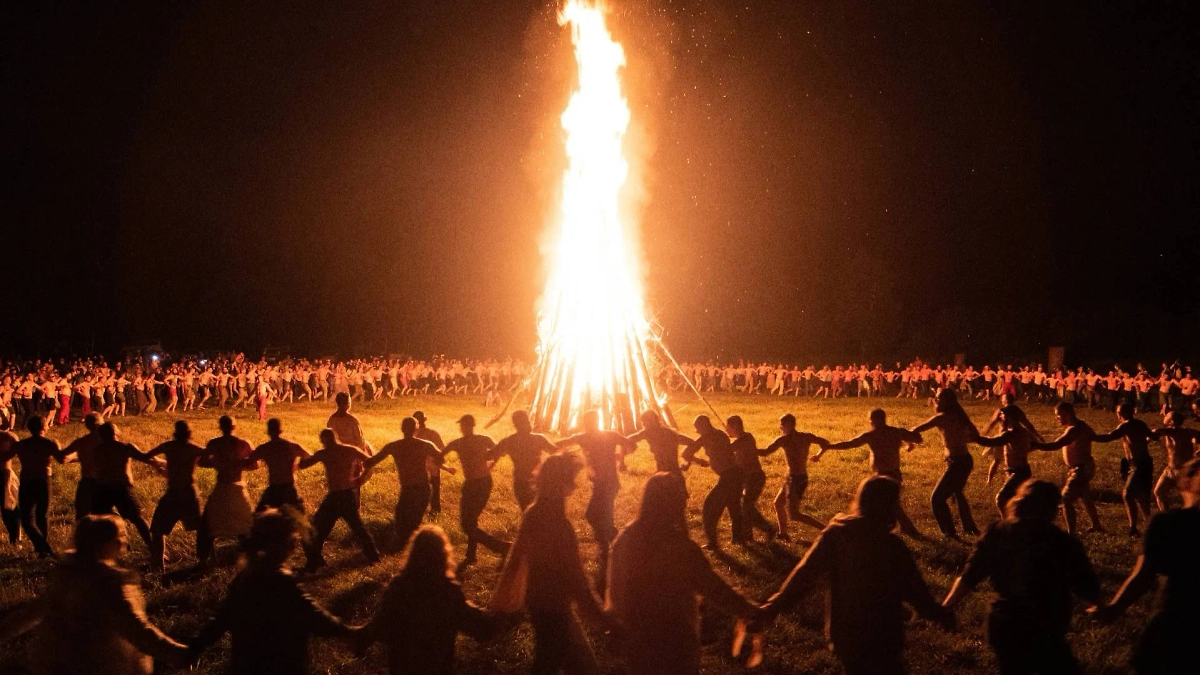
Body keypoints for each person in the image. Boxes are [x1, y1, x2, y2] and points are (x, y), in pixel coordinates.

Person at [760, 476, 954, 675]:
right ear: (889, 506)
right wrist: (942, 615)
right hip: (883, 635)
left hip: (844, 634)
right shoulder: (892, 547)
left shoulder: (835, 535)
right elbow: (918, 594)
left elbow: (804, 575)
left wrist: (772, 607)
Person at [607, 472, 761, 675]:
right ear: (670, 504)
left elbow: (615, 591)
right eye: (681, 495)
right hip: (676, 641)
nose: (686, 500)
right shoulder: (680, 548)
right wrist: (750, 611)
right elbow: (713, 587)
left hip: (638, 641)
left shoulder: (626, 539)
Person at [943, 480, 1101, 674]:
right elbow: (1086, 585)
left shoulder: (998, 532)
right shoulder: (1062, 542)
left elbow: (970, 574)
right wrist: (1102, 607)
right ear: (1052, 509)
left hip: (1004, 623)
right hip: (1044, 626)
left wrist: (947, 606)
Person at [0, 515, 189, 675]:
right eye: (120, 537)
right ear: (106, 544)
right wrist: (175, 653)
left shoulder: (67, 574)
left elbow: (33, 612)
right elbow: (135, 629)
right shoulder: (110, 582)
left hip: (57, 664)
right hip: (100, 664)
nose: (124, 543)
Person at [189, 509, 359, 674]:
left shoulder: (243, 578)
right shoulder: (282, 583)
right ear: (285, 544)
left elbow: (219, 621)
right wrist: (348, 631)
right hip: (281, 667)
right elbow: (315, 617)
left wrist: (194, 648)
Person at [491, 452, 610, 675]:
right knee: (570, 665)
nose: (575, 486)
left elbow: (516, 560)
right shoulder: (558, 524)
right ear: (560, 483)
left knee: (552, 661)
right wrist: (599, 615)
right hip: (554, 607)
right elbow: (575, 577)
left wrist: (505, 598)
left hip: (538, 603)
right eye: (571, 479)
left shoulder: (533, 513)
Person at [1091, 458, 1200, 674]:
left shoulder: (1168, 523)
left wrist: (1115, 607)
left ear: (1184, 482)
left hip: (1176, 619)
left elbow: (1144, 576)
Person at [356, 525, 499, 674]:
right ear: (443, 555)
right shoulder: (448, 591)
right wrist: (493, 615)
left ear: (413, 553)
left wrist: (362, 641)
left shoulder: (398, 587)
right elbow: (476, 624)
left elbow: (380, 624)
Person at [813, 408, 924, 538]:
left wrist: (830, 446)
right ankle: (897, 529)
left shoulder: (872, 435)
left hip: (885, 474)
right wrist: (908, 438)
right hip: (891, 473)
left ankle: (909, 531)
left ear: (874, 420)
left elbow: (850, 444)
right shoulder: (895, 432)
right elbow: (917, 438)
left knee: (890, 505)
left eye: (871, 420)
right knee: (887, 504)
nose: (870, 423)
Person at [556, 410, 635, 588]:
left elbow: (630, 444)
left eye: (587, 422)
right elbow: (630, 445)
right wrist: (620, 457)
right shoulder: (602, 435)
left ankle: (612, 544)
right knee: (601, 516)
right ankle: (611, 544)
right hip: (605, 483)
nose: (587, 425)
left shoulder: (596, 436)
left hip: (607, 484)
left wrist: (620, 458)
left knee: (593, 514)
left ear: (590, 422)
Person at [300, 428, 380, 570]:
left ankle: (314, 561)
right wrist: (361, 478)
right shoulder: (349, 450)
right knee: (357, 527)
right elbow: (370, 461)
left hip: (336, 496)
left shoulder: (325, 453)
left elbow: (304, 464)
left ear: (325, 440)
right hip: (345, 495)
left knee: (320, 527)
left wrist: (296, 454)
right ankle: (373, 556)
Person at [362, 417, 446, 549]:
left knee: (403, 518)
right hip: (422, 488)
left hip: (410, 488)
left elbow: (372, 461)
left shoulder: (394, 446)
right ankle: (411, 548)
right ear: (416, 429)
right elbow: (441, 457)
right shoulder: (425, 444)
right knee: (411, 520)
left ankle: (411, 549)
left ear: (402, 429)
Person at [911, 388, 981, 539]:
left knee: (937, 499)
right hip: (965, 460)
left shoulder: (941, 418)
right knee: (957, 493)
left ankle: (950, 533)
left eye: (938, 398)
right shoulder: (961, 416)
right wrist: (961, 440)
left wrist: (911, 441)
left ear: (946, 401)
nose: (936, 401)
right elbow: (975, 435)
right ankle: (970, 528)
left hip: (957, 463)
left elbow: (916, 429)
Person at [442, 414, 511, 566]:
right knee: (470, 521)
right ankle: (471, 554)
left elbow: (440, 455)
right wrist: (491, 463)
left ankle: (501, 547)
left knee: (468, 524)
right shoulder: (478, 440)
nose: (461, 428)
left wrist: (491, 463)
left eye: (463, 425)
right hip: (482, 483)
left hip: (477, 484)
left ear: (468, 426)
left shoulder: (461, 442)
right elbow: (500, 451)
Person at [1031, 402, 1104, 535]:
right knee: (1084, 496)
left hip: (1080, 469)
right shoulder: (1082, 425)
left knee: (1065, 499)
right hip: (1083, 467)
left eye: (1058, 416)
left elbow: (1056, 444)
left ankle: (1071, 533)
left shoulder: (1074, 430)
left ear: (1066, 414)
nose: (1057, 418)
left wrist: (1036, 445)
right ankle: (1096, 525)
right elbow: (1094, 437)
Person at [145, 420, 207, 572]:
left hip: (173, 493)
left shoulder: (168, 446)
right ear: (189, 433)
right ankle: (205, 561)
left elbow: (147, 455)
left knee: (158, 529)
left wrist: (160, 464)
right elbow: (210, 457)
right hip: (188, 493)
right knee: (201, 528)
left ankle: (159, 564)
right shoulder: (194, 448)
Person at [91, 421, 163, 551]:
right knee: (137, 518)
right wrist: (161, 463)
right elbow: (144, 457)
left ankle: (117, 544)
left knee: (105, 517)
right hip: (121, 487)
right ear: (115, 432)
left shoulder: (97, 449)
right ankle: (153, 548)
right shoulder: (124, 447)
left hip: (102, 487)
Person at [758, 413, 828, 539]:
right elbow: (825, 443)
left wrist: (749, 448)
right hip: (793, 478)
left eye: (782, 425)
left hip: (797, 480)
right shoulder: (806, 437)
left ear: (789, 425)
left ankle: (826, 529)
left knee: (794, 514)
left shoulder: (784, 440)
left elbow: (765, 452)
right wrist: (818, 455)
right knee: (778, 504)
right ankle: (783, 534)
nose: (780, 428)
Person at [0, 416, 63, 556]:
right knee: (42, 515)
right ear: (44, 427)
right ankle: (43, 547)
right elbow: (62, 459)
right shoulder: (50, 443)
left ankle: (41, 547)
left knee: (27, 517)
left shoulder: (21, 445)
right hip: (43, 480)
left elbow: (5, 457)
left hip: (27, 480)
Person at [681, 415, 745, 551]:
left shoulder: (706, 437)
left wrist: (699, 461)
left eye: (697, 429)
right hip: (737, 474)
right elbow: (721, 454)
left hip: (729, 476)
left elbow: (685, 453)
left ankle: (713, 542)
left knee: (709, 507)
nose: (697, 432)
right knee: (733, 506)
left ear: (704, 426)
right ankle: (739, 539)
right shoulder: (720, 435)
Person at [1094, 403, 1156, 535]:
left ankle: (1136, 527)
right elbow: (1153, 436)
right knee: (1141, 496)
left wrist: (1091, 437)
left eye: (1117, 412)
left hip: (1139, 464)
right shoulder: (1140, 423)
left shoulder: (1125, 425)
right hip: (1140, 463)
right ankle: (1146, 526)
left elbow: (1110, 437)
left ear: (1120, 413)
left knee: (1128, 494)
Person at [200, 416, 256, 556]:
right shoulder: (243, 443)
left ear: (220, 426)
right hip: (238, 486)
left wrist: (218, 463)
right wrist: (240, 464)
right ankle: (249, 554)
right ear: (234, 427)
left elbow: (202, 462)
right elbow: (255, 464)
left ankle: (204, 558)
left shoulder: (214, 443)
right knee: (246, 523)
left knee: (208, 523)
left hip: (222, 486)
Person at [974, 406, 1037, 517]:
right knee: (1016, 501)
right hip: (1019, 470)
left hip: (1018, 472)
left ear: (1010, 417)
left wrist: (975, 438)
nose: (1001, 418)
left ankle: (1009, 524)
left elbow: (992, 442)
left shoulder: (1011, 433)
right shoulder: (1023, 431)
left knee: (1001, 498)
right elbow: (1035, 444)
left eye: (1003, 416)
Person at [491, 409, 557, 511]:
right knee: (539, 512)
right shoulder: (538, 439)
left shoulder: (509, 441)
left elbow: (489, 455)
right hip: (538, 481)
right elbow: (557, 452)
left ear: (515, 424)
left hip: (522, 482)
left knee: (528, 511)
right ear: (527, 421)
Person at [726, 415, 773, 542]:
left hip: (755, 477)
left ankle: (767, 528)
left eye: (728, 427)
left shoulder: (744, 439)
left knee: (747, 506)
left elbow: (728, 449)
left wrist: (723, 441)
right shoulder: (746, 438)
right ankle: (748, 536)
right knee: (746, 506)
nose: (726, 429)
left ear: (735, 426)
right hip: (748, 478)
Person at [248, 418, 310, 512]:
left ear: (268, 431)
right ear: (280, 430)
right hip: (289, 487)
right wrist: (298, 466)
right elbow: (308, 456)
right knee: (298, 519)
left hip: (274, 489)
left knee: (259, 518)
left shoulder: (265, 448)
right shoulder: (291, 446)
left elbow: (249, 461)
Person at [1148, 411, 1200, 510]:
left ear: (1171, 421)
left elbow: (1158, 430)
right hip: (1170, 469)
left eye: (1167, 415)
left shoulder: (1176, 431)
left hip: (1183, 471)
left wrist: (1148, 438)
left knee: (1189, 498)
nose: (1164, 416)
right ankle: (1167, 516)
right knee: (1159, 491)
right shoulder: (1188, 431)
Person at [59, 412, 103, 519]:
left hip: (87, 481)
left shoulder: (82, 442)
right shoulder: (106, 441)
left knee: (82, 514)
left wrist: (57, 446)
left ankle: (83, 533)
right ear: (100, 424)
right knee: (104, 514)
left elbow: (62, 455)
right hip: (104, 480)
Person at [625, 410, 693, 475]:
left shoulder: (648, 433)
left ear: (652, 421)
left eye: (644, 422)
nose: (643, 425)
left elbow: (629, 439)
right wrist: (688, 462)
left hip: (664, 471)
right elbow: (691, 442)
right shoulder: (670, 432)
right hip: (675, 471)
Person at [413, 410, 446, 516]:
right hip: (433, 469)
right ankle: (435, 511)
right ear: (424, 420)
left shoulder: (413, 435)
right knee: (435, 491)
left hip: (418, 470)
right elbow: (442, 449)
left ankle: (418, 512)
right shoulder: (433, 433)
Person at [0, 426, 21, 545]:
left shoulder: (8, 437)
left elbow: (22, 450)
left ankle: (15, 539)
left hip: (4, 475)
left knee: (9, 508)